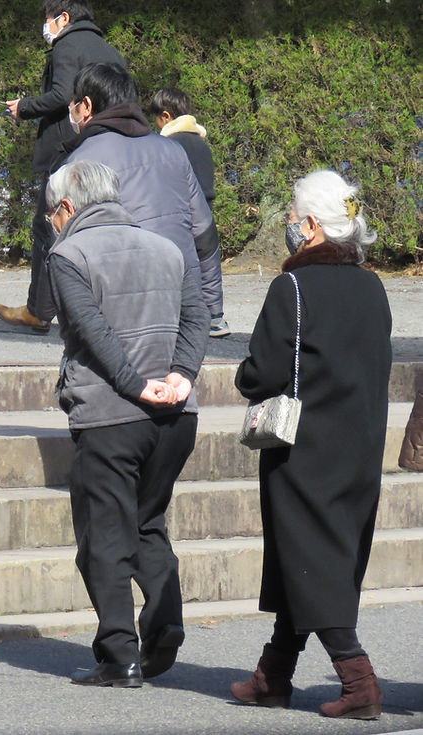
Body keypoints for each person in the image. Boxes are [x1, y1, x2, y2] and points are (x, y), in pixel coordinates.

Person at [231, 170, 391, 720]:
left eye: (293, 219)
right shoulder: (372, 286)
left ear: (310, 225)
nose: (289, 229)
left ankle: (358, 678)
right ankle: (272, 676)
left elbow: (262, 371)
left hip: (304, 447)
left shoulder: (292, 288)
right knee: (306, 557)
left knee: (309, 556)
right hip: (359, 441)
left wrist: (246, 376)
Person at [46, 160, 209, 687]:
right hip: (175, 416)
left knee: (103, 536)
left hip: (109, 416)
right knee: (148, 523)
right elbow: (200, 314)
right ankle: (164, 625)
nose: (51, 222)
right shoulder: (166, 247)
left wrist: (133, 382)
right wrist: (182, 375)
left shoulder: (69, 253)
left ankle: (120, 656)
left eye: (52, 213)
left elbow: (89, 327)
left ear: (68, 207)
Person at [60, 63, 229, 338]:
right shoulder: (173, 151)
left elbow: (66, 252)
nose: (71, 108)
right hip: (182, 302)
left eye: (74, 102)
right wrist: (210, 311)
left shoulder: (79, 164)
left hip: (119, 312)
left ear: (86, 106)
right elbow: (205, 234)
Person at [0, 0, 125, 333]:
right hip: (111, 146)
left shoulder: (67, 45)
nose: (46, 26)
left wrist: (25, 106)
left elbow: (62, 95)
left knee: (48, 224)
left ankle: (38, 310)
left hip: (69, 145)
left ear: (63, 18)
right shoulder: (110, 51)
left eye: (48, 19)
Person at [150, 86, 229, 336]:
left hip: (182, 212)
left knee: (182, 265)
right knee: (209, 264)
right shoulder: (200, 143)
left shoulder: (167, 144)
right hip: (207, 209)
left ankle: (181, 318)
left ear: (165, 117)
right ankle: (215, 317)